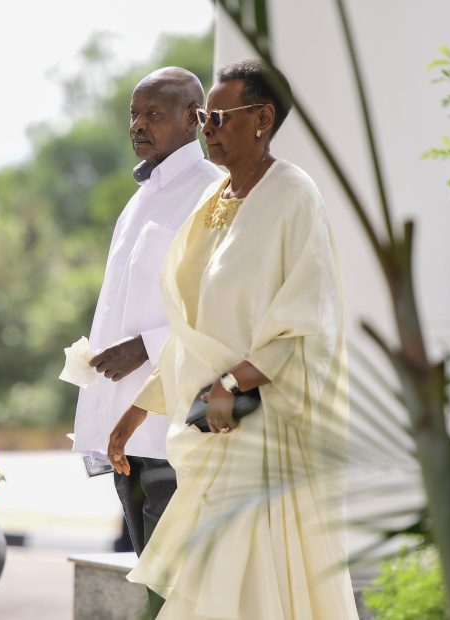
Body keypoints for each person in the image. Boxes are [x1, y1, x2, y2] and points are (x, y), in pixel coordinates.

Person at [108, 59, 359, 619]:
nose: (206, 128)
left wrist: (232, 381)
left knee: (246, 582)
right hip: (206, 425)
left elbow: (308, 321)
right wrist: (137, 410)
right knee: (206, 584)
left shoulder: (293, 196)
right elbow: (192, 326)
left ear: (263, 119)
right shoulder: (213, 201)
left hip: (263, 424)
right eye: (203, 118)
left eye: (218, 116)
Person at [71, 67, 223, 573]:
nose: (137, 125)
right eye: (134, 114)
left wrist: (145, 346)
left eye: (153, 114)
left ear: (194, 119)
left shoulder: (213, 193)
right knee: (153, 576)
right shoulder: (140, 199)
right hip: (125, 431)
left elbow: (220, 306)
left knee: (175, 589)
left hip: (173, 431)